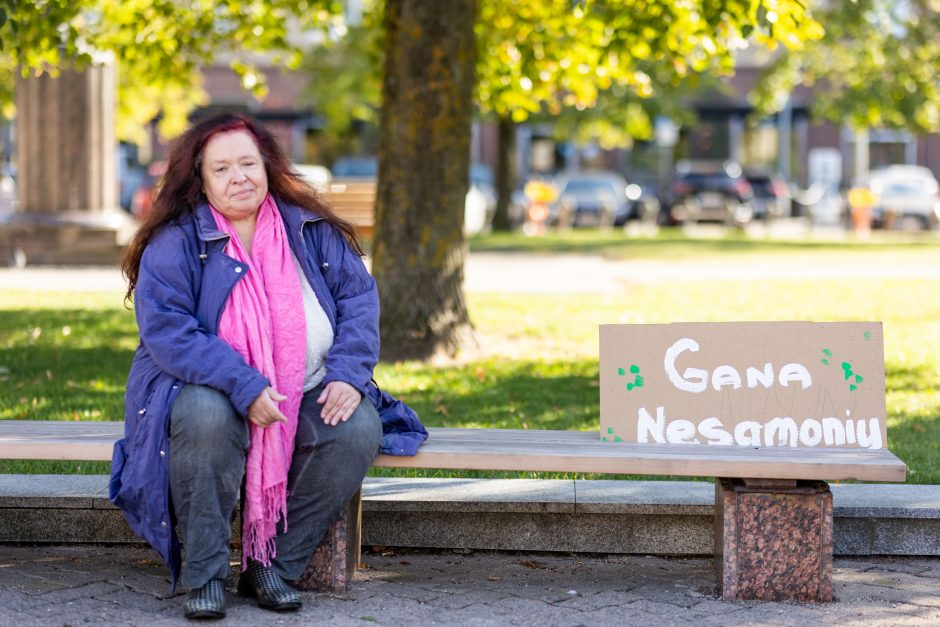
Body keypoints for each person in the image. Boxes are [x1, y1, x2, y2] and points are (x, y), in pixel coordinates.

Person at [109, 113, 386, 620]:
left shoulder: (309, 228)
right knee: (207, 418)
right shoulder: (177, 241)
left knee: (356, 426)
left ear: (268, 167)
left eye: (247, 163)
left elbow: (359, 301)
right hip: (202, 389)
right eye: (222, 168)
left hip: (306, 386)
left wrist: (349, 371)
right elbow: (169, 331)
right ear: (201, 179)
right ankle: (206, 573)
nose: (239, 177)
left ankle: (271, 566)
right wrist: (244, 385)